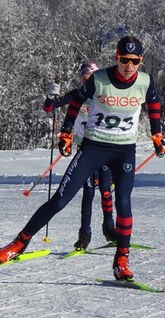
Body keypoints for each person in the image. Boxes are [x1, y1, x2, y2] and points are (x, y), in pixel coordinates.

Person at [0, 35, 165, 280]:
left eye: (134, 61)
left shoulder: (145, 82)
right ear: (117, 57)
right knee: (61, 200)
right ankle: (19, 243)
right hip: (94, 147)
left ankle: (121, 260)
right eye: (124, 60)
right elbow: (76, 101)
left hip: (124, 150)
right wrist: (66, 132)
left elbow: (154, 104)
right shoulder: (99, 79)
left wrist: (157, 134)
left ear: (141, 60)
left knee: (123, 203)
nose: (129, 66)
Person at [42, 62, 116, 250]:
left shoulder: (103, 95)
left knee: (106, 190)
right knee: (89, 192)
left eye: (91, 78)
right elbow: (49, 108)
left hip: (104, 145)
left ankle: (109, 228)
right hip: (85, 149)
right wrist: (52, 94)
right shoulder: (78, 94)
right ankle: (84, 235)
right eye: (85, 78)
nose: (87, 82)